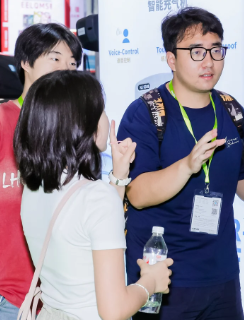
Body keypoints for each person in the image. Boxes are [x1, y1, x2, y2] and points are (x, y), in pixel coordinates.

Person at [117, 7, 244, 320]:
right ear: (171, 59)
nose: (209, 62)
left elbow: (243, 179)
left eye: (216, 50)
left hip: (221, 274)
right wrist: (187, 165)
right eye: (196, 52)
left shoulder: (232, 110)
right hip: (161, 277)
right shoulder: (146, 113)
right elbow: (136, 194)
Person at [0, 23, 83, 319]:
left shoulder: (75, 130)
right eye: (55, 58)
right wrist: (2, 263)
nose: (66, 69)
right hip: (6, 296)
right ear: (25, 62)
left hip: (64, 295)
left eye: (73, 63)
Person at [17, 71, 173, 320]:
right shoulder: (96, 197)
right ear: (82, 124)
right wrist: (150, 282)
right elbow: (114, 310)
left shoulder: (34, 187)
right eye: (100, 110)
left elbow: (86, 226)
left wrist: (119, 176)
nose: (106, 117)